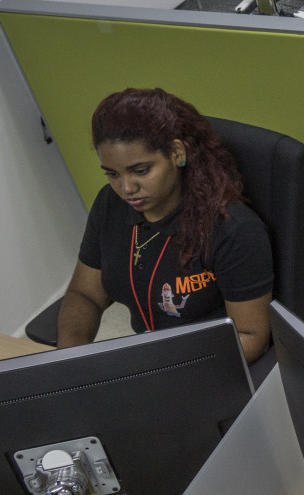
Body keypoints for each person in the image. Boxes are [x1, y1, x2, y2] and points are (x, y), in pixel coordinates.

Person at [56, 88, 274, 363]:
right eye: (112, 174)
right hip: (148, 358)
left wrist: (164, 369)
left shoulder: (233, 229)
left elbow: (251, 336)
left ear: (176, 153)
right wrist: (70, 360)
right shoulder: (110, 204)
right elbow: (85, 294)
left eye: (141, 171)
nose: (126, 188)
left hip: (207, 364)